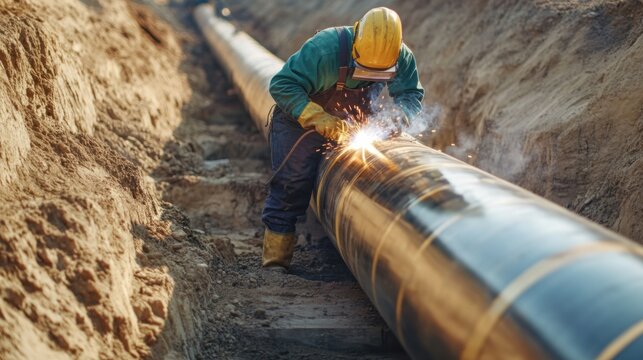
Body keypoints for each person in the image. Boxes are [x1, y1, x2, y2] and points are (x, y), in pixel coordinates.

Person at [261, 7, 424, 272]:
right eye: (364, 71)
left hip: (351, 118)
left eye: (378, 76)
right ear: (355, 51)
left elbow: (410, 95)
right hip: (299, 117)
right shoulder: (324, 50)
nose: (370, 79)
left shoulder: (400, 56)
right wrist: (318, 117)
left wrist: (397, 119)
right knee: (292, 182)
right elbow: (282, 85)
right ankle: (275, 261)